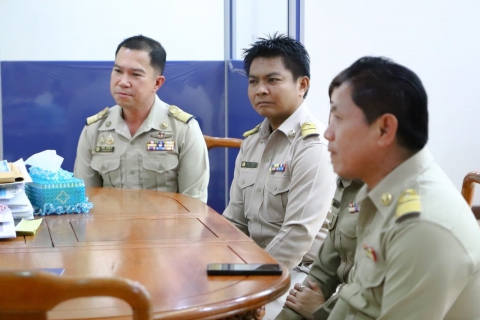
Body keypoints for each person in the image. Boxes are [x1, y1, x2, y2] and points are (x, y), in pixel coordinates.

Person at [323, 56, 480, 319]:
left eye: (337, 118)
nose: (327, 133)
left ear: (384, 129)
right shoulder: (379, 191)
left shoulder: (424, 225)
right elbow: (355, 299)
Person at [222, 34, 336, 317]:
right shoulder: (251, 143)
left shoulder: (314, 146)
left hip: (299, 273)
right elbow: (234, 221)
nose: (260, 90)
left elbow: (297, 235)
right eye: (253, 81)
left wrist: (254, 286)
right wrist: (217, 265)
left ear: (302, 85)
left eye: (272, 80)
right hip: (253, 266)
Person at [74, 35, 209, 202]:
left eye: (135, 74)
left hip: (167, 228)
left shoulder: (183, 129)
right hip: (110, 227)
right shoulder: (94, 130)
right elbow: (85, 201)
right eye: (118, 71)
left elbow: (194, 205)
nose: (123, 82)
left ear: (157, 83)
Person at [275, 177, 363, 320]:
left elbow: (366, 292)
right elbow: (322, 273)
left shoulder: (392, 194)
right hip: (336, 306)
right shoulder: (346, 182)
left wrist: (321, 312)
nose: (328, 153)